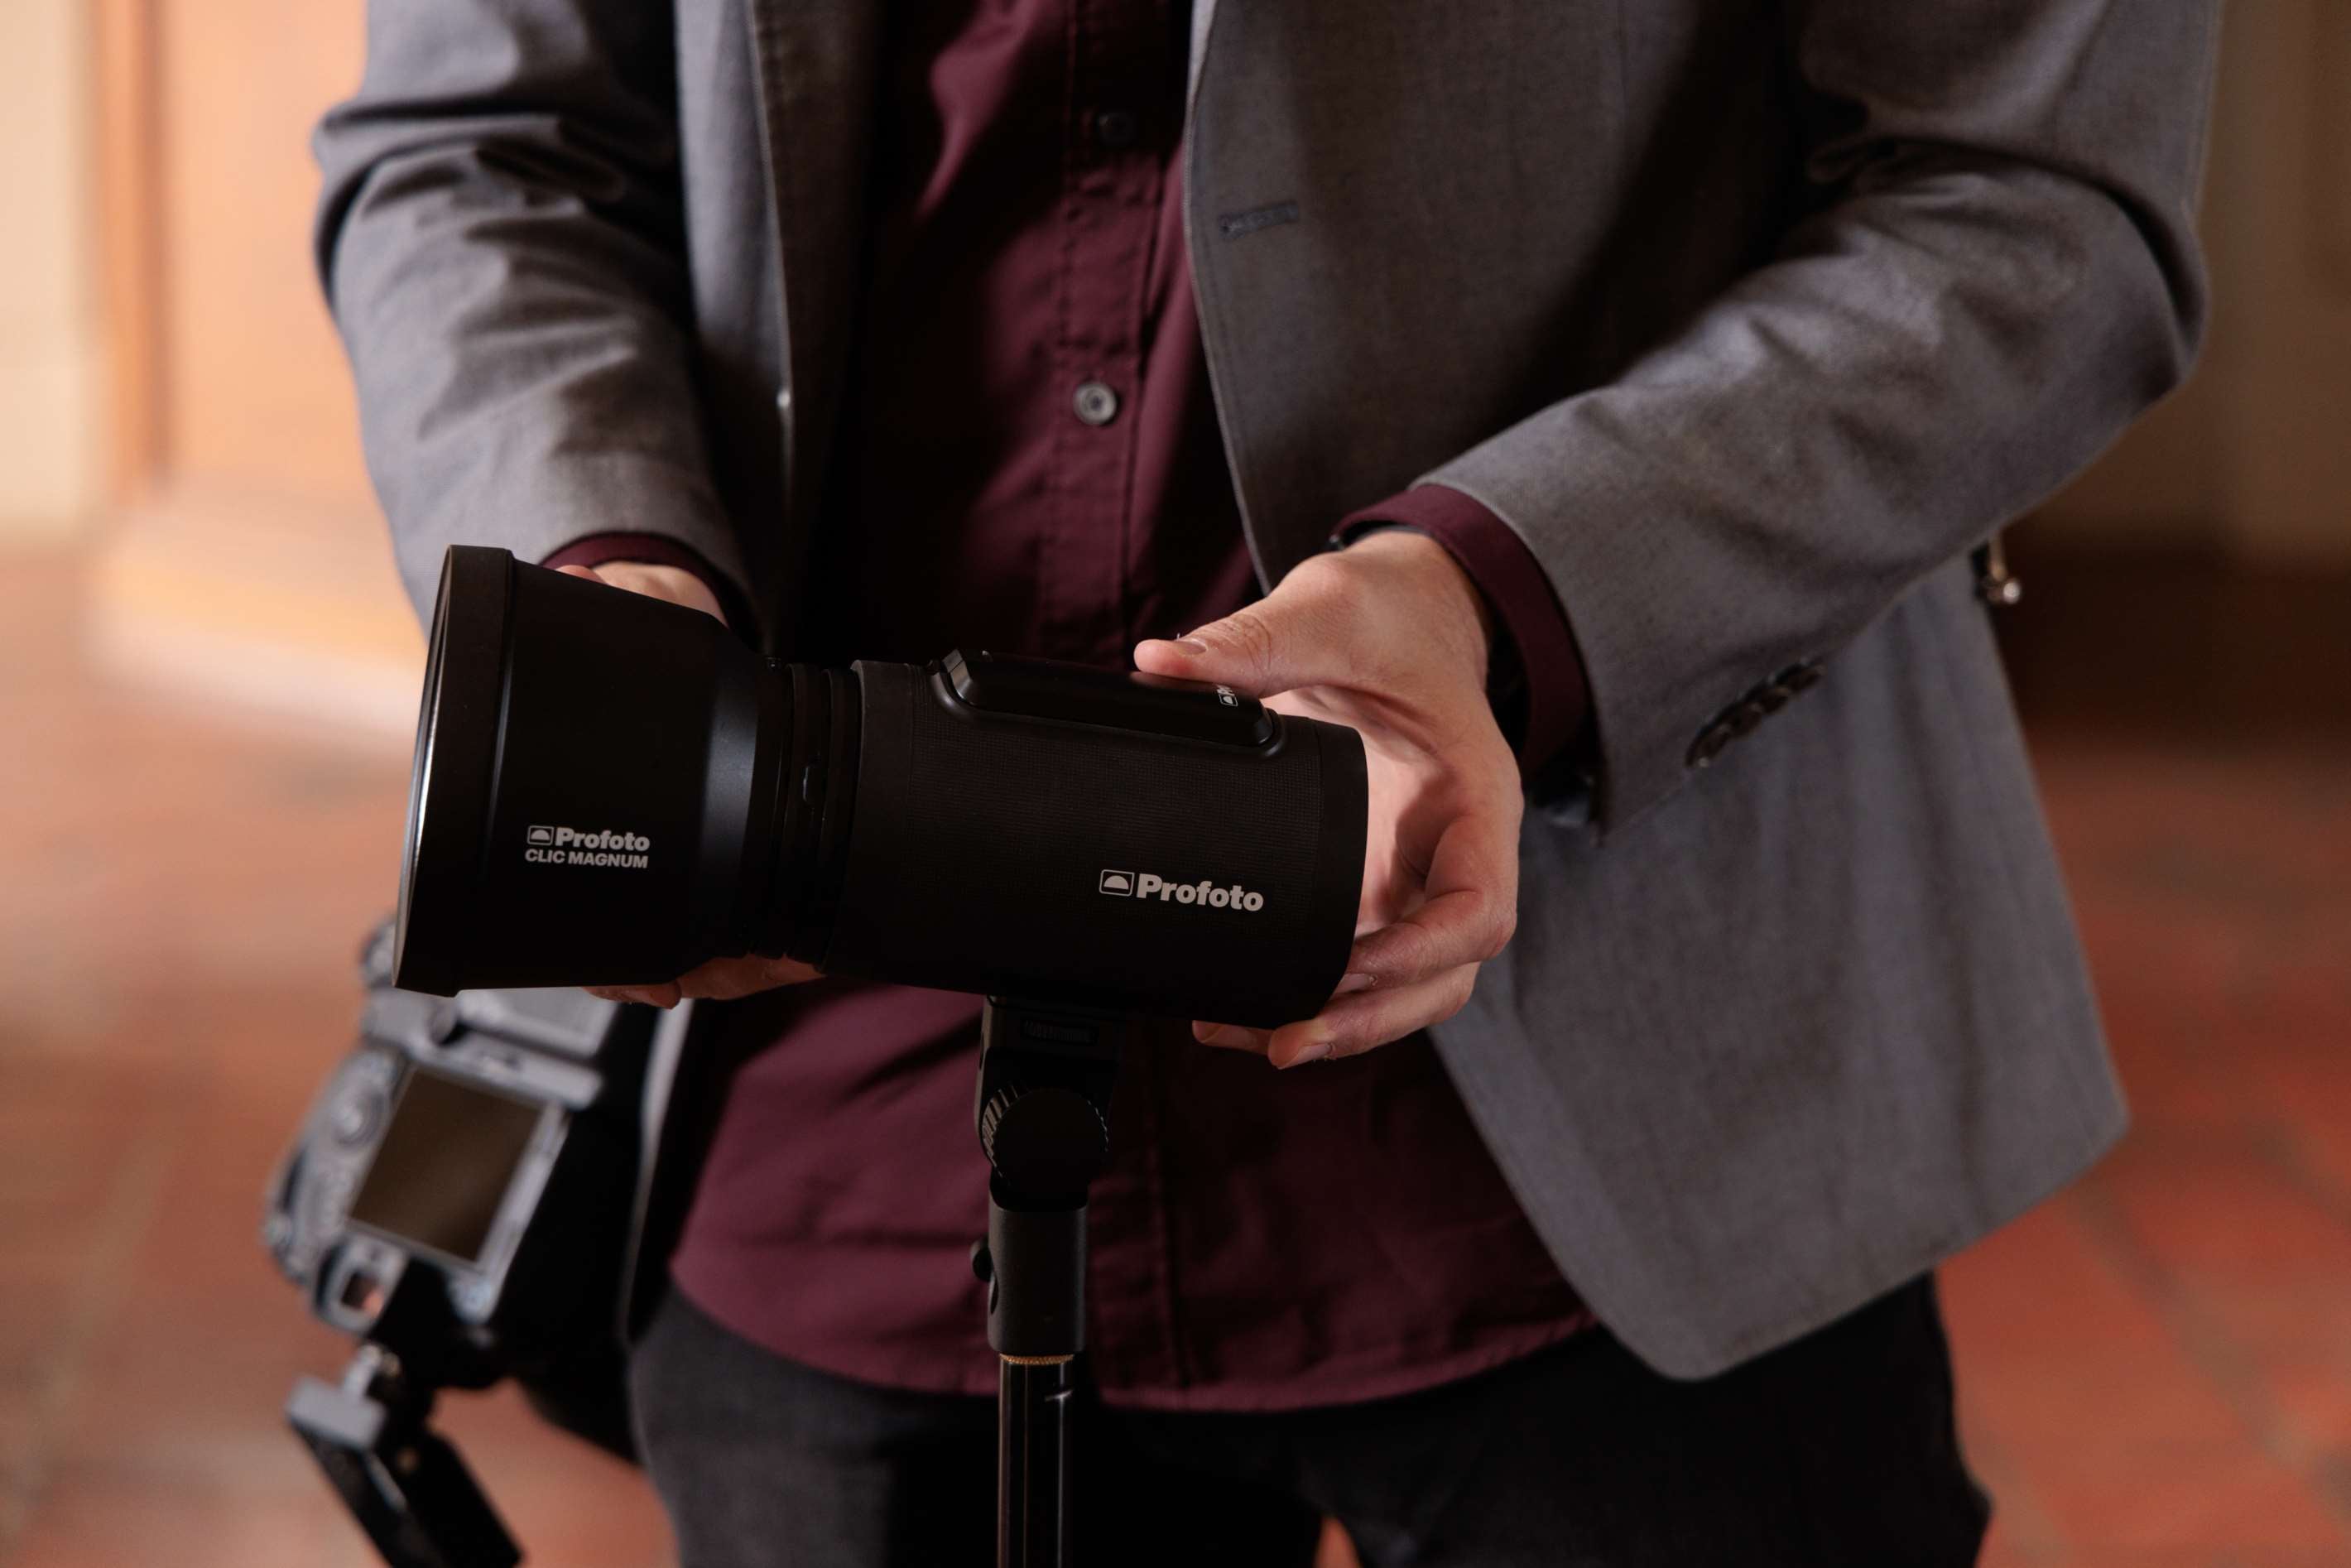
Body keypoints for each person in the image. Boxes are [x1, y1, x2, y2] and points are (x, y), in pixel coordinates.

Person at [315, 2, 2221, 1562]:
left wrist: (1496, 589)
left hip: (1641, 1093)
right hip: (839, 1118)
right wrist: (600, 585)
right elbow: (481, 144)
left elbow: (2031, 196)